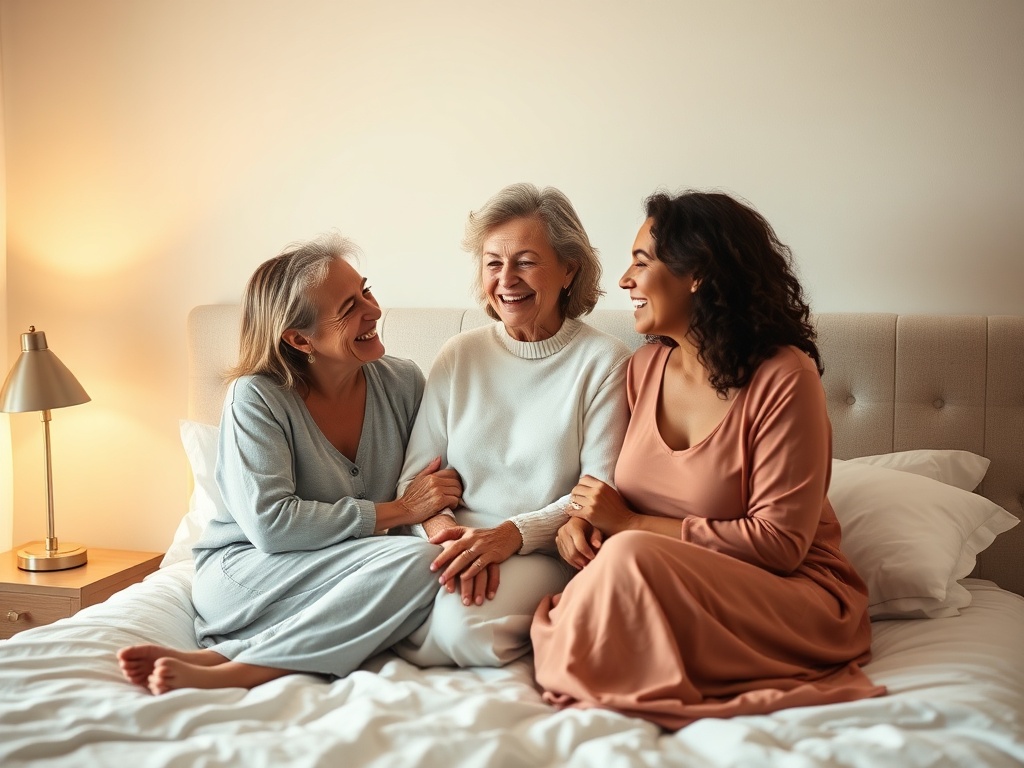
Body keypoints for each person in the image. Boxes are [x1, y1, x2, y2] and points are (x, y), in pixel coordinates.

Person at [531, 191, 887, 728]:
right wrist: (582, 522)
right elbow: (624, 490)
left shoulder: (785, 377)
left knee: (627, 559)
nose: (624, 280)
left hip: (787, 595)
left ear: (695, 273)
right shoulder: (643, 369)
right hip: (671, 581)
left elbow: (780, 545)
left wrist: (630, 525)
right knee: (596, 583)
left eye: (641, 262)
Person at [117, 233, 462, 695]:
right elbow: (272, 525)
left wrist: (439, 520)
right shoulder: (255, 398)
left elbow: (429, 480)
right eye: (349, 307)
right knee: (419, 566)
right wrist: (399, 510)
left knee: (427, 563)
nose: (374, 310)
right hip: (249, 571)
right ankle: (246, 671)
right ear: (300, 339)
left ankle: (224, 657)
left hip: (344, 565)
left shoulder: (403, 382)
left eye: (366, 290)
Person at [393, 183, 631, 667]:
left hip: (538, 552)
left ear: (569, 269)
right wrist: (448, 537)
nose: (506, 280)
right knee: (364, 598)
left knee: (464, 630)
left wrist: (508, 536)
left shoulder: (605, 361)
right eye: (493, 263)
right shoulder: (459, 354)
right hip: (449, 541)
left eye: (525, 262)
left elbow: (596, 492)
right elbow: (414, 482)